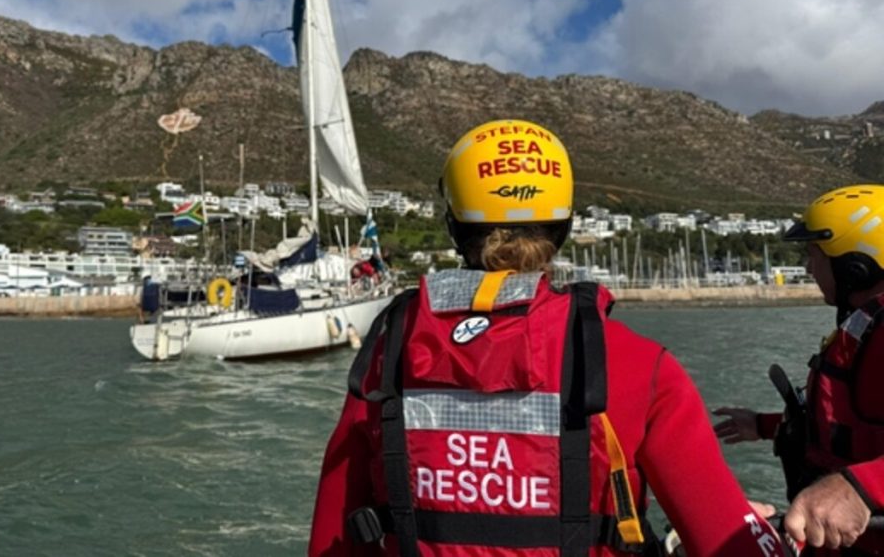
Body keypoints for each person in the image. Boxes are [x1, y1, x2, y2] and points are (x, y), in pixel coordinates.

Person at [309, 119, 785, 557]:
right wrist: (758, 528)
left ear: (454, 224)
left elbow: (332, 535)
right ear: (565, 224)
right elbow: (729, 543)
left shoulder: (389, 354)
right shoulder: (635, 363)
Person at [715, 185, 884, 555]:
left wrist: (860, 487)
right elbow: (849, 426)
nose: (808, 268)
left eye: (813, 255)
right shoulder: (865, 329)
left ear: (855, 265)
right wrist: (763, 426)